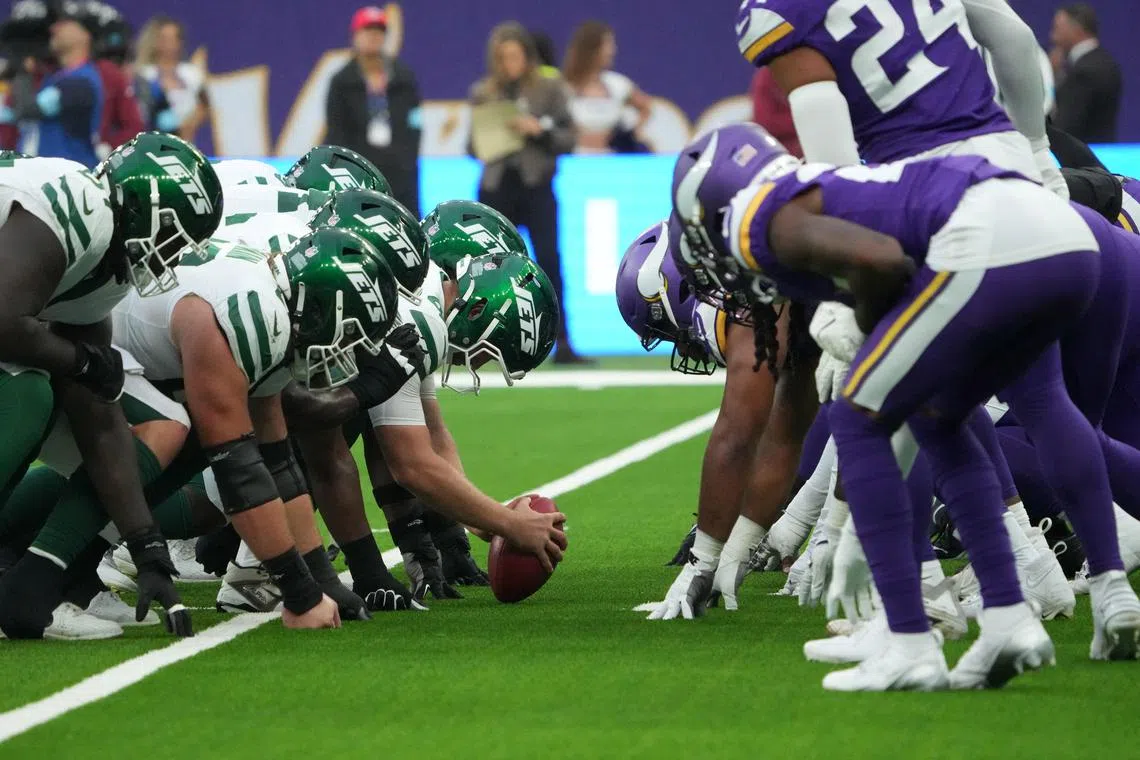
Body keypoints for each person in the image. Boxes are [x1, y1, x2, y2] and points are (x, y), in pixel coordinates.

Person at [0, 132, 223, 639]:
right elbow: (1, 320)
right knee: (26, 392)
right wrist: (76, 360)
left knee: (98, 409)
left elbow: (98, 416)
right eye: (174, 237)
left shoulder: (106, 266)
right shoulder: (79, 204)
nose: (172, 258)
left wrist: (145, 545)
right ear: (148, 209)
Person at [470, 23, 583, 364]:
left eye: (515, 56)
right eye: (503, 58)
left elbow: (569, 138)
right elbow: (470, 145)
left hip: (536, 184)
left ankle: (561, 341)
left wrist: (538, 128)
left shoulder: (549, 88)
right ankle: (483, 341)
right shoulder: (484, 92)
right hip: (498, 184)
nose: (510, 64)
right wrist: (491, 138)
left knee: (548, 259)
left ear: (527, 56)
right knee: (488, 266)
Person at [325, 6, 422, 217]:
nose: (374, 36)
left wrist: (407, 159)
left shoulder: (404, 78)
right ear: (355, 36)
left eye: (379, 31)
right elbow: (336, 131)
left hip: (401, 173)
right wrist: (350, 169)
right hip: (360, 172)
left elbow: (415, 122)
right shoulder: (342, 82)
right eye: (368, 30)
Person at [10, 4, 102, 166]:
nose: (54, 28)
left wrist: (23, 71)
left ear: (85, 35)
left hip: (68, 178)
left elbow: (28, 109)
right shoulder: (56, 77)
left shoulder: (80, 82)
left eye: (65, 24)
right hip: (48, 175)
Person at [562, 20, 651, 154]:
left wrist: (629, 133)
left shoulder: (618, 84)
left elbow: (645, 107)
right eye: (608, 45)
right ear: (591, 48)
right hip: (575, 159)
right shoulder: (563, 87)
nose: (613, 51)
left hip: (610, 160)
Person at [1050, 3, 1122, 143]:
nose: (1053, 37)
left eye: (1057, 29)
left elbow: (1064, 128)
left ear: (1076, 29)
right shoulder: (1105, 62)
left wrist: (1051, 78)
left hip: (1083, 158)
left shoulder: (1084, 72)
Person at [134, 15, 209, 142]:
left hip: (188, 140)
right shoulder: (144, 74)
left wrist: (190, 125)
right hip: (153, 140)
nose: (169, 44)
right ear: (155, 41)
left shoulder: (192, 73)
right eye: (164, 38)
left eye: (174, 38)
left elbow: (205, 105)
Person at [90, 3, 144, 156]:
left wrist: (109, 146)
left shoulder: (118, 77)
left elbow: (134, 127)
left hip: (100, 154)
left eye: (121, 58)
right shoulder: (66, 73)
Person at [750, 67, 802, 158]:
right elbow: (765, 122)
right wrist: (804, 119)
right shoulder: (766, 76)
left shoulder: (812, 67)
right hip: (781, 154)